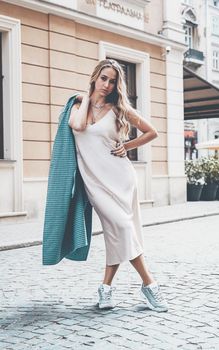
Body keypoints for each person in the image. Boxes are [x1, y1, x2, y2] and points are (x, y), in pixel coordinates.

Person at [68, 59, 168, 312]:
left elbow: (151, 131)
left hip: (120, 178)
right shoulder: (78, 106)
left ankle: (106, 289)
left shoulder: (118, 108)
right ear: (95, 77)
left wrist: (127, 146)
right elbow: (78, 126)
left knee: (119, 232)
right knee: (123, 229)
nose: (107, 84)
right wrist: (88, 98)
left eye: (112, 81)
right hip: (95, 183)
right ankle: (149, 284)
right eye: (104, 78)